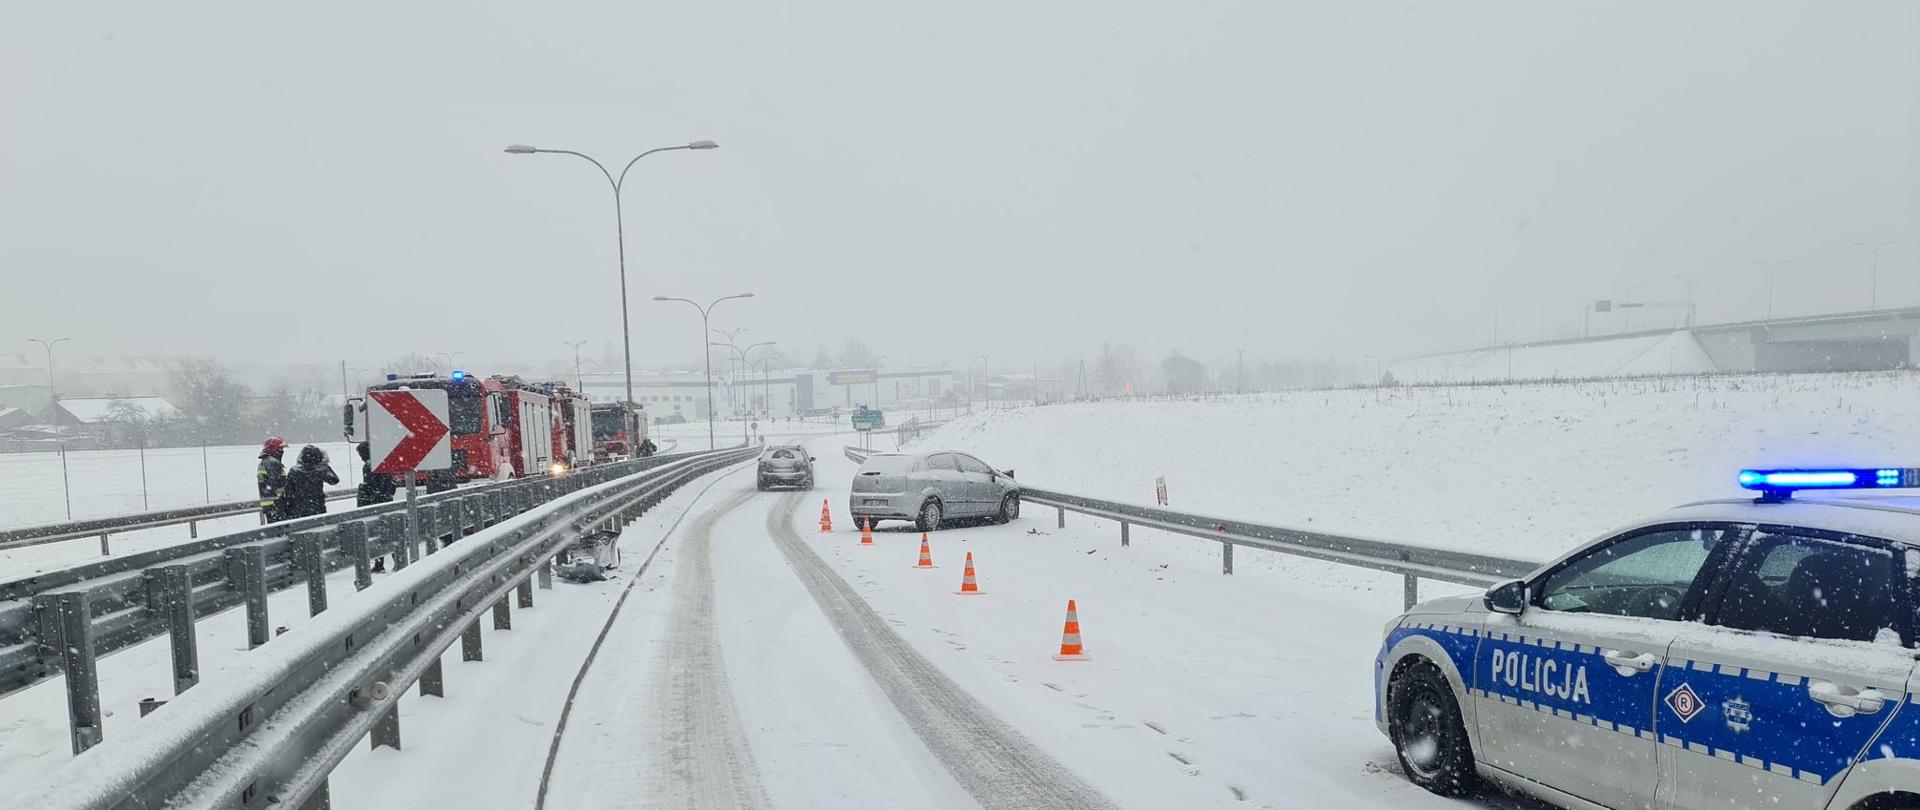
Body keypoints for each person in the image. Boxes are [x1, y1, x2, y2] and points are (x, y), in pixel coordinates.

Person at [280, 445, 340, 520]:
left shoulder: (294, 471)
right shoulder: (320, 471)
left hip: (298, 510)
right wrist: (326, 466)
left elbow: (288, 491)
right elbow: (335, 480)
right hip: (317, 508)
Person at [256, 437, 289, 523]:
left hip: (268, 505)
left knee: (273, 532)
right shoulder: (273, 463)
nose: (282, 451)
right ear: (273, 448)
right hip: (276, 504)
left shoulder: (263, 462)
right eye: (280, 448)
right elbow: (277, 485)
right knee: (282, 532)